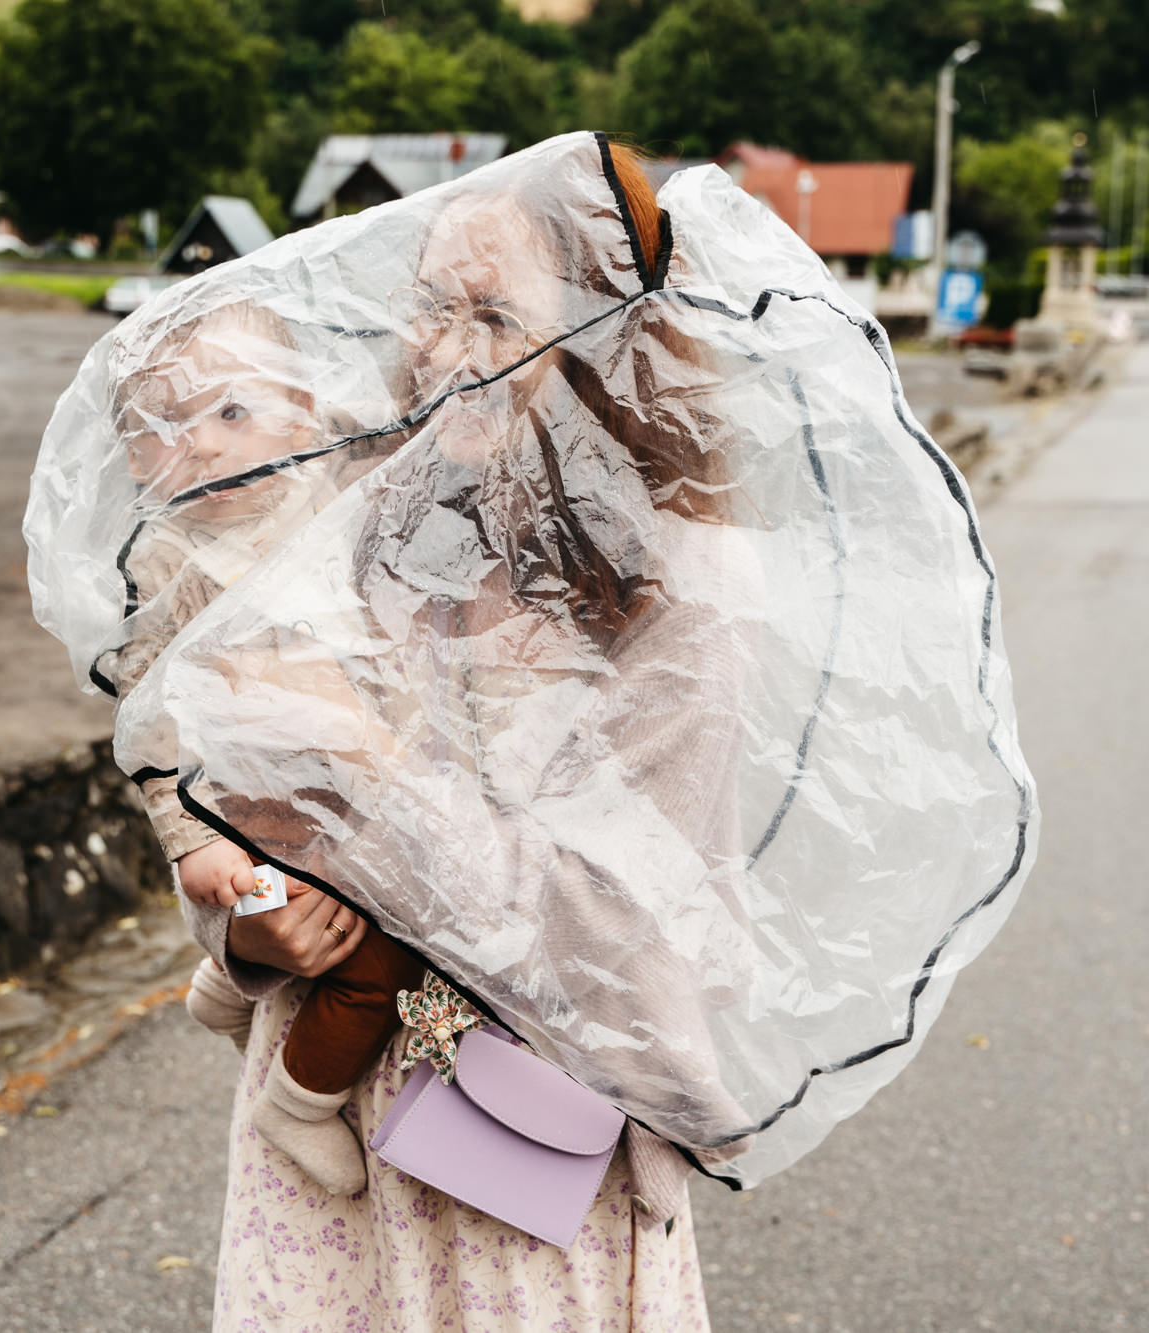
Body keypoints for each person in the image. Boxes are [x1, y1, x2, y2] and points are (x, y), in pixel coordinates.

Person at [166, 140, 723, 1328]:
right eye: (430, 306)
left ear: (603, 340)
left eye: (493, 313)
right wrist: (249, 932)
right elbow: (231, 818)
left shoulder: (673, 610)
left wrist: (374, 763)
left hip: (525, 1169)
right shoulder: (350, 530)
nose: (445, 347)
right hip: (324, 1172)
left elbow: (609, 929)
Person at [99, 300, 429, 1197]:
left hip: (359, 783)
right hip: (258, 806)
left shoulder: (328, 490)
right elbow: (148, 719)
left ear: (300, 412)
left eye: (233, 411)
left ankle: (223, 987)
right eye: (166, 424)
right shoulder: (168, 558)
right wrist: (191, 839)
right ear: (134, 456)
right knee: (370, 952)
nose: (204, 444)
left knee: (370, 911)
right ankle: (300, 1100)